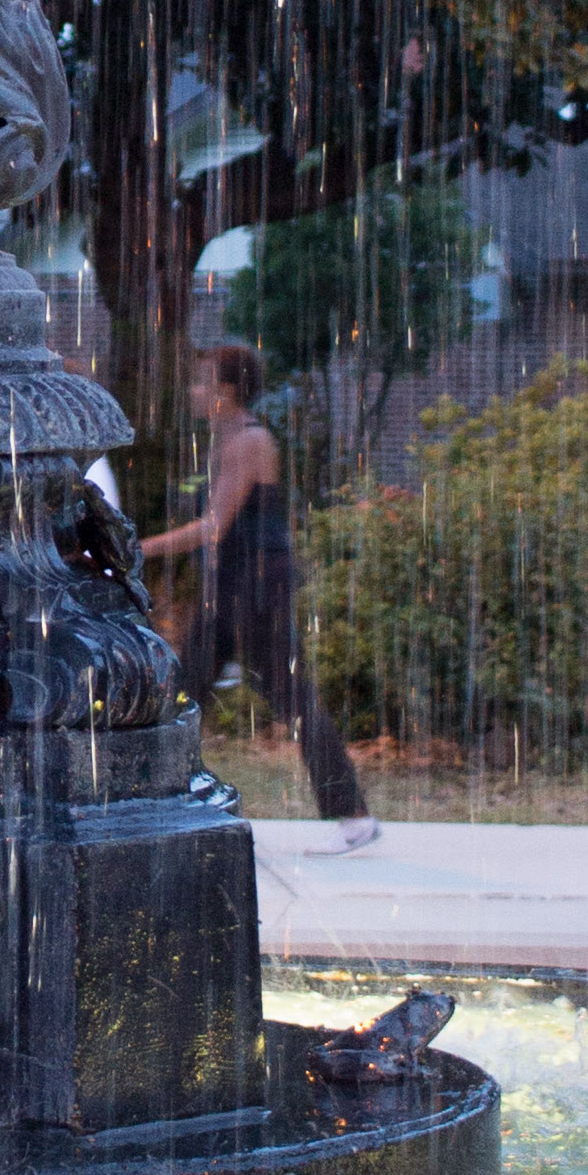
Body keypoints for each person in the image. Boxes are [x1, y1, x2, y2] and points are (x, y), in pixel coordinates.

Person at [139, 334, 375, 837]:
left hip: (257, 586)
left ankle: (353, 816)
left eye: (202, 383)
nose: (193, 391)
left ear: (226, 390)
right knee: (184, 691)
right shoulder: (230, 439)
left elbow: (213, 526)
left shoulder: (249, 441)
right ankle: (150, 799)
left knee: (286, 695)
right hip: (232, 585)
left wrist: (142, 548)